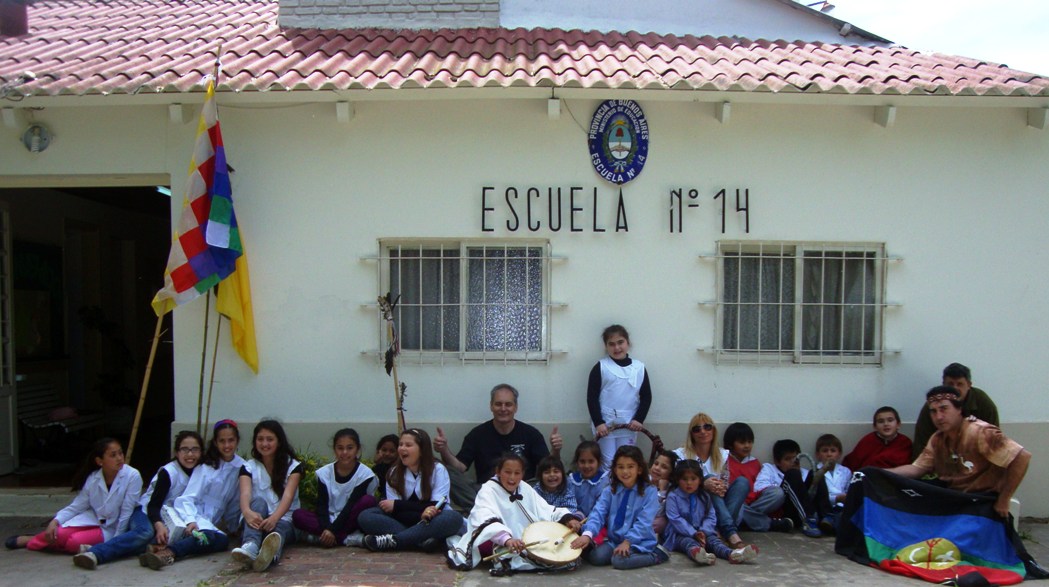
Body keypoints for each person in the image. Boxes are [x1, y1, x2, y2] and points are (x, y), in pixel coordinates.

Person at [889, 386, 1029, 518]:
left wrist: (1004, 499)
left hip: (981, 498)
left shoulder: (979, 432)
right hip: (953, 495)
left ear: (959, 409)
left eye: (944, 409)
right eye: (933, 411)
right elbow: (917, 469)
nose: (939, 416)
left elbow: (1022, 457)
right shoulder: (938, 439)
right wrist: (878, 473)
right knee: (905, 493)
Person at [73, 431, 203, 569]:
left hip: (170, 518)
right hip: (145, 511)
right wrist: (158, 525)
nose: (190, 454)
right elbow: (153, 505)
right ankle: (95, 554)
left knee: (162, 540)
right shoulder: (169, 472)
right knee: (145, 532)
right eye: (185, 449)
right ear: (176, 452)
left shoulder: (202, 471)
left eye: (195, 449)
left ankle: (97, 548)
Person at [448, 453, 583, 576]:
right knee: (493, 549)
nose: (512, 478)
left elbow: (545, 509)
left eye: (517, 473)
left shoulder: (524, 487)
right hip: (500, 538)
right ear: (498, 471)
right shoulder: (488, 490)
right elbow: (483, 516)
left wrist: (568, 518)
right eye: (507, 472)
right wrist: (507, 539)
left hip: (524, 540)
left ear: (523, 474)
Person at [433, 384, 562, 510]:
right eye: (498, 404)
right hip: (485, 493)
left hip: (523, 491)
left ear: (515, 407)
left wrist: (556, 450)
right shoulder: (477, 434)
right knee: (444, 471)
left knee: (552, 479)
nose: (503, 408)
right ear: (491, 406)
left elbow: (549, 467)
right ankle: (486, 508)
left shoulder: (531, 434)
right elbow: (460, 468)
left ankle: (500, 509)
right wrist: (444, 449)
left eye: (508, 404)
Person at [7, 438, 141, 555]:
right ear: (100, 461)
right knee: (58, 534)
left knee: (74, 542)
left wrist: (115, 543)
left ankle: (35, 540)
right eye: (113, 455)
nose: (119, 458)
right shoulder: (93, 478)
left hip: (113, 527)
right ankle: (33, 539)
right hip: (93, 520)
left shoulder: (132, 476)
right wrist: (55, 521)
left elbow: (126, 512)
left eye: (120, 453)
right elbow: (77, 506)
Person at [141, 419, 245, 570]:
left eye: (231, 440)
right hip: (194, 513)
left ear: (237, 441)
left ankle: (158, 547)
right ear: (215, 442)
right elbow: (187, 498)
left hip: (210, 519)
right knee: (207, 537)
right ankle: (169, 553)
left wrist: (233, 525)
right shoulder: (205, 466)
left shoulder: (241, 467)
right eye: (222, 441)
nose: (227, 445)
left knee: (222, 541)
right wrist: (190, 520)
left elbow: (234, 501)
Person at [358, 428, 464, 551]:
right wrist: (420, 514)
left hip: (432, 520)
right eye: (401, 444)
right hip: (403, 520)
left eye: (408, 445)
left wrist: (398, 505)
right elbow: (394, 511)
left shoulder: (438, 469)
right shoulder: (394, 472)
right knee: (366, 516)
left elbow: (437, 505)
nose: (402, 448)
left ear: (422, 450)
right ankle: (421, 540)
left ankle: (396, 540)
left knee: (453, 518)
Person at [570, 446, 668, 570]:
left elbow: (644, 522)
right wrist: (587, 534)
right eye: (620, 467)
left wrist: (628, 542)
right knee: (595, 557)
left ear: (639, 469)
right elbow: (598, 513)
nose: (625, 471)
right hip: (614, 541)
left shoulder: (650, 492)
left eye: (630, 466)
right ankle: (619, 552)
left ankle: (656, 555)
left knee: (619, 561)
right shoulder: (610, 490)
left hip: (639, 542)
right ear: (615, 470)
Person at [231, 420, 302, 572]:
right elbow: (245, 493)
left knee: (277, 531)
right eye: (260, 439)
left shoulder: (293, 467)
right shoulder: (249, 467)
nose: (264, 443)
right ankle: (251, 547)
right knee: (258, 502)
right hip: (256, 519)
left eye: (270, 439)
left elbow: (288, 497)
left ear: (279, 442)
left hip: (282, 519)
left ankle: (270, 555)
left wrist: (274, 518)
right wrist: (247, 512)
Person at [292, 428, 378, 548]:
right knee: (298, 515)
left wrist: (332, 530)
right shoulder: (325, 473)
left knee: (368, 501)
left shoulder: (364, 474)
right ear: (334, 449)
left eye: (349, 448)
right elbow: (322, 505)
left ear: (357, 449)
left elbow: (351, 505)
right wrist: (327, 528)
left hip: (350, 519)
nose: (344, 452)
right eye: (340, 448)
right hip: (328, 518)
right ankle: (345, 539)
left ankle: (325, 538)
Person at [673, 413, 748, 549]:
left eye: (707, 427)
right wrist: (703, 484)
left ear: (713, 430)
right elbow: (678, 483)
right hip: (697, 504)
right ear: (691, 434)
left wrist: (719, 487)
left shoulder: (722, 455)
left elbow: (725, 482)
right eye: (697, 429)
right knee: (708, 479)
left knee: (742, 482)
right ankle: (730, 532)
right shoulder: (681, 455)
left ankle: (720, 528)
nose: (703, 431)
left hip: (719, 502)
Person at [663, 459, 757, 566]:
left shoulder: (704, 496)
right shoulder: (673, 497)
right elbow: (675, 519)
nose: (689, 483)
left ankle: (732, 554)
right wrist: (693, 533)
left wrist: (704, 531)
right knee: (688, 543)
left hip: (704, 532)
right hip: (679, 533)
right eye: (684, 479)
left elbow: (710, 516)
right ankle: (698, 554)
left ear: (700, 480)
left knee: (714, 542)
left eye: (693, 479)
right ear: (677, 480)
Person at [586, 324, 653, 471]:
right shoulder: (601, 367)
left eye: (620, 342)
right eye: (612, 344)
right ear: (606, 346)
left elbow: (646, 397)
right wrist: (599, 423)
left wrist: (639, 420)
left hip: (629, 424)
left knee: (626, 462)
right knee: (608, 463)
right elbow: (592, 397)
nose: (617, 348)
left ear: (628, 343)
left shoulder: (639, 368)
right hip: (606, 426)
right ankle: (608, 493)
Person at [912, 362, 999, 459]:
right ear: (944, 385)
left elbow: (994, 439)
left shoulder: (983, 403)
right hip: (942, 459)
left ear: (969, 385)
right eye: (950, 384)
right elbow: (921, 443)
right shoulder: (933, 405)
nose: (955, 388)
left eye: (960, 384)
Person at [725, 423, 791, 534]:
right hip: (737, 503)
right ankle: (768, 523)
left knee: (778, 493)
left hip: (755, 502)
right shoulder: (724, 461)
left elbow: (759, 486)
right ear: (731, 444)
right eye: (742, 442)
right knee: (738, 508)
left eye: (749, 442)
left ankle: (746, 520)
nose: (747, 446)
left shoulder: (754, 462)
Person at [753, 439, 821, 538]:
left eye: (795, 458)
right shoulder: (769, 469)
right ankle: (808, 519)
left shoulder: (804, 472)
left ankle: (827, 518)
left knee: (817, 474)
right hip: (785, 511)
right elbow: (758, 488)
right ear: (777, 461)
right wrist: (787, 482)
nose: (793, 462)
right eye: (788, 459)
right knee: (792, 474)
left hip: (802, 507)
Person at [842, 406, 912, 470]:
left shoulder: (905, 442)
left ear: (898, 425)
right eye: (881, 421)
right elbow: (852, 463)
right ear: (875, 427)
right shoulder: (868, 441)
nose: (886, 424)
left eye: (890, 420)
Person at [811, 434, 851, 535]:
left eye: (833, 451)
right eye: (825, 451)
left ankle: (831, 524)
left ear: (839, 454)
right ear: (818, 454)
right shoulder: (815, 472)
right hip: (824, 506)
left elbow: (848, 491)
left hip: (842, 507)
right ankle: (830, 523)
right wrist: (836, 498)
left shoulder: (845, 471)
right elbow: (815, 495)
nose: (829, 454)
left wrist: (845, 498)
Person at [568, 440, 608, 519]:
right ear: (577, 462)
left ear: (599, 462)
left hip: (597, 522)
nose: (586, 466)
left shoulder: (604, 482)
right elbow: (566, 503)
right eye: (582, 461)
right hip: (574, 521)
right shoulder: (571, 481)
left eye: (591, 461)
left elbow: (602, 508)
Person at [648, 449, 677, 537]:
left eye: (664, 467)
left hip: (654, 520)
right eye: (656, 464)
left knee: (661, 522)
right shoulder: (643, 481)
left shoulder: (671, 489)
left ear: (671, 473)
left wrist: (661, 491)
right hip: (638, 517)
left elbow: (657, 512)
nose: (657, 468)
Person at [371, 434, 399, 499]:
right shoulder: (377, 468)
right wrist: (376, 463)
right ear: (378, 451)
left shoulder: (401, 469)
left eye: (392, 451)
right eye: (384, 450)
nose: (387, 454)